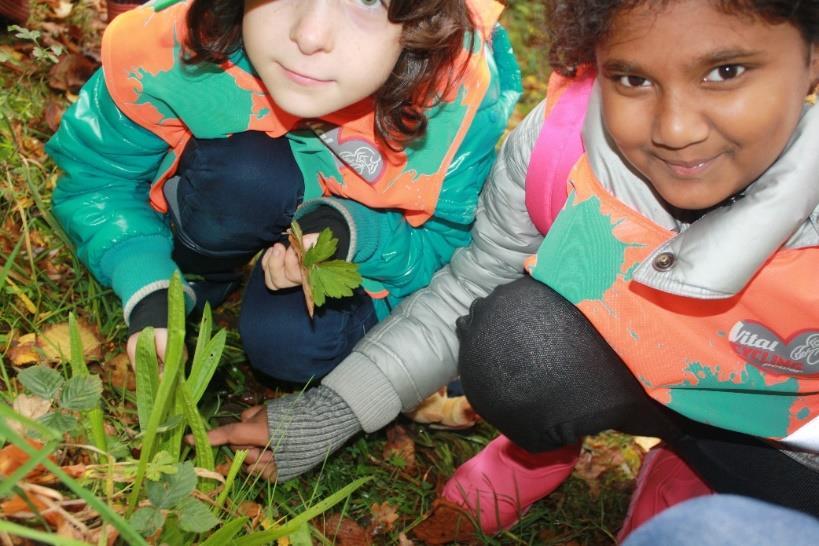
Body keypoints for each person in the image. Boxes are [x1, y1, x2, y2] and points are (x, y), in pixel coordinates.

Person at [204, 0, 819, 536]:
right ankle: (642, 449)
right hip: (663, 378)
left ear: (812, 58)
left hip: (795, 440)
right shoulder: (558, 151)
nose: (677, 129)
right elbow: (470, 289)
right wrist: (326, 414)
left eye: (727, 71)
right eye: (631, 78)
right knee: (514, 345)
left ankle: (722, 475)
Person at [46, 0, 520, 393]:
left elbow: (450, 259)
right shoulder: (185, 41)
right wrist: (147, 288)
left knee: (290, 345)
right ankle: (199, 277)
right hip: (238, 188)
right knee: (247, 176)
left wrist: (352, 231)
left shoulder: (454, 107)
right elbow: (97, 180)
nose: (310, 35)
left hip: (350, 258)